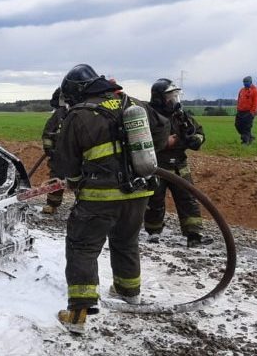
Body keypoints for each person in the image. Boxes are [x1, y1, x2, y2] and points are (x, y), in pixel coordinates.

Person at [54, 64, 169, 334]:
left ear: (77, 92)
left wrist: (73, 180)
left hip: (99, 195)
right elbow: (162, 133)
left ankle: (77, 315)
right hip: (139, 191)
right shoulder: (132, 103)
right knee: (126, 240)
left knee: (82, 246)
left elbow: (66, 162)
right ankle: (130, 293)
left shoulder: (80, 115)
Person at [144, 79, 212, 248]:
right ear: (159, 98)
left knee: (188, 199)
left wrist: (195, 139)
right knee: (154, 200)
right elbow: (141, 140)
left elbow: (199, 132)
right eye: (169, 96)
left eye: (175, 96)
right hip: (157, 165)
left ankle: (194, 235)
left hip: (179, 165)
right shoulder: (150, 115)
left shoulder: (180, 115)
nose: (173, 100)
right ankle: (153, 232)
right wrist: (164, 142)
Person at [40, 87, 68, 214]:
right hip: (59, 154)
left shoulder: (79, 113)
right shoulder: (59, 114)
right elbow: (48, 134)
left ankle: (82, 204)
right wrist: (49, 150)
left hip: (75, 154)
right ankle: (52, 205)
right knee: (56, 178)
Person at [235, 76, 257, 145]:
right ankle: (250, 137)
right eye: (244, 82)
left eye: (247, 82)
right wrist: (238, 108)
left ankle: (245, 141)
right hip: (240, 111)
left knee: (246, 127)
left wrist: (252, 112)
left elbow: (256, 103)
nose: (245, 83)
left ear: (251, 82)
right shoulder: (241, 90)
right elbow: (239, 100)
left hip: (249, 112)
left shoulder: (255, 91)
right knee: (237, 125)